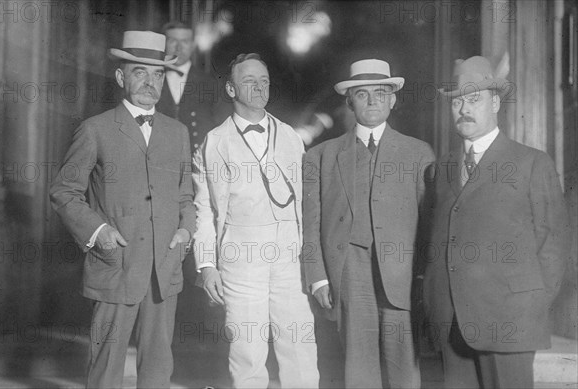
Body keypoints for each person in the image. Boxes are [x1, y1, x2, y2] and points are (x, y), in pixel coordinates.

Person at [49, 31, 195, 388]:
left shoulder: (177, 133)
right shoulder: (95, 130)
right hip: (116, 265)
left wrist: (185, 231)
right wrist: (100, 234)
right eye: (139, 72)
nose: (150, 82)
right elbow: (64, 191)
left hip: (165, 267)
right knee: (107, 364)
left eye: (158, 74)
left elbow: (186, 196)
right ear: (120, 77)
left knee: (159, 366)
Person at [422, 55, 571, 389]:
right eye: (457, 101)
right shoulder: (440, 169)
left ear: (495, 102)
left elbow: (555, 244)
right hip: (452, 323)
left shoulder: (532, 163)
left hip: (510, 323)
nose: (463, 109)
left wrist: (528, 304)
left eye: (473, 99)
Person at [303, 59, 434, 388]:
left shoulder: (418, 154)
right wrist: (317, 277)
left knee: (403, 364)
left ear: (393, 99)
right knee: (358, 367)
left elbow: (430, 222)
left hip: (401, 274)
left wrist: (423, 276)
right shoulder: (321, 156)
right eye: (362, 94)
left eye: (381, 93)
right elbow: (310, 221)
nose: (373, 101)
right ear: (350, 101)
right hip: (349, 272)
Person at [192, 53, 319, 388]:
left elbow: (307, 201)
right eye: (249, 81)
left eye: (264, 80)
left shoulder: (291, 136)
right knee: (247, 350)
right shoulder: (214, 143)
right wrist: (207, 266)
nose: (259, 87)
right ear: (231, 90)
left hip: (290, 253)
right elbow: (204, 209)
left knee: (300, 344)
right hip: (241, 254)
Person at [157, 21, 231, 152]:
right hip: (161, 160)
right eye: (172, 41)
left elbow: (224, 128)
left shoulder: (210, 83)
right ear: (163, 44)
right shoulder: (153, 79)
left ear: (192, 45)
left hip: (198, 162)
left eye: (184, 41)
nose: (178, 47)